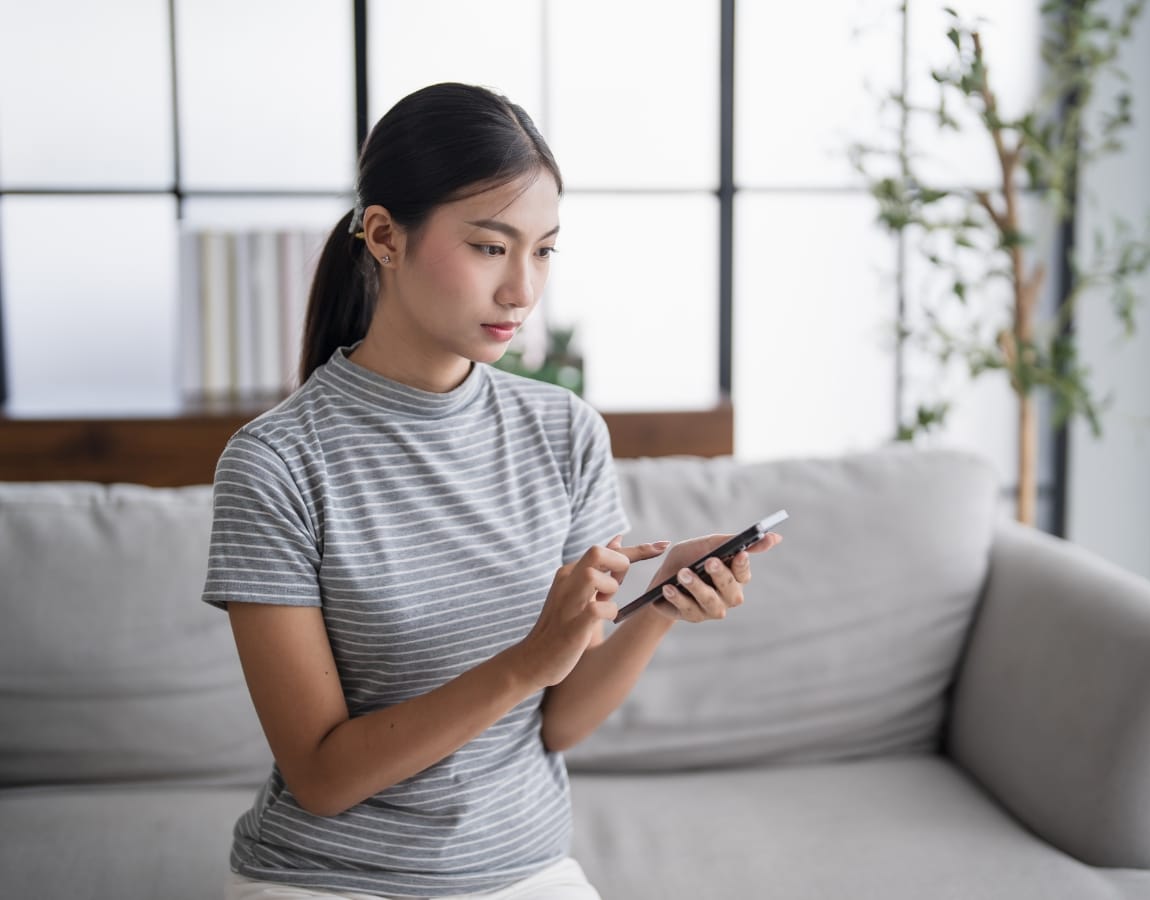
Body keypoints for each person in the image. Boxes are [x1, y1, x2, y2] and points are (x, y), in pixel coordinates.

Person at [202, 82, 781, 900]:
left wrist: (657, 606)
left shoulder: (565, 431)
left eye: (544, 250)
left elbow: (561, 722)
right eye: (488, 247)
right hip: (331, 881)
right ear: (383, 237)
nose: (522, 289)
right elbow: (322, 778)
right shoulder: (276, 464)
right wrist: (522, 664)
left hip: (527, 872)